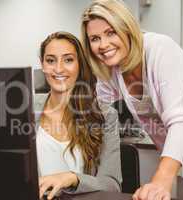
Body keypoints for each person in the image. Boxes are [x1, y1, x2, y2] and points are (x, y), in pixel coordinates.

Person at [81, 0, 183, 200]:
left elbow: (181, 120)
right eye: (95, 38)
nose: (103, 45)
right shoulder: (113, 71)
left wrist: (160, 181)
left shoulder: (158, 47)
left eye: (111, 32)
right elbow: (92, 107)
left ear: (127, 28)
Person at [36, 31, 122, 200]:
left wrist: (73, 178)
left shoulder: (105, 115)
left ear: (79, 64)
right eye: (50, 60)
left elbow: (112, 185)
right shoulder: (27, 110)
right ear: (42, 65)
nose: (59, 68)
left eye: (68, 60)